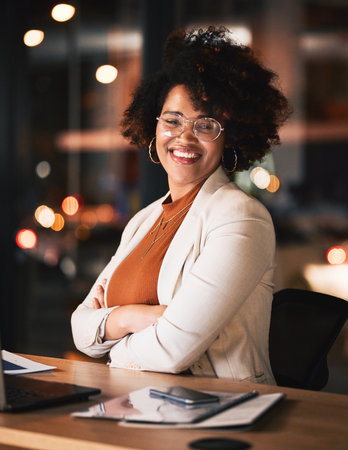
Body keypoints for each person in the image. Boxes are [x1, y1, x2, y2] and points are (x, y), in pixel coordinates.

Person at [71, 26, 290, 384]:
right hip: (135, 403)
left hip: (216, 412)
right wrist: (128, 318)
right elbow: (80, 327)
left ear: (229, 138)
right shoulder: (144, 220)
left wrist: (112, 343)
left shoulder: (242, 218)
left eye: (205, 125)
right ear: (153, 126)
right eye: (172, 120)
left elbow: (173, 350)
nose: (184, 137)